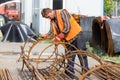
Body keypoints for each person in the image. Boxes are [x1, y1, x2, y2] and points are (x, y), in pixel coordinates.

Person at [41, 8, 89, 79]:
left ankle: (86, 72)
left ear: (51, 12)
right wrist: (46, 35)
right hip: (68, 39)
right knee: (69, 56)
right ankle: (70, 74)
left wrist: (59, 37)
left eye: (48, 16)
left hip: (77, 35)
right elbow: (51, 31)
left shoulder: (62, 12)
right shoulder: (52, 20)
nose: (48, 18)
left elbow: (67, 27)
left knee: (81, 54)